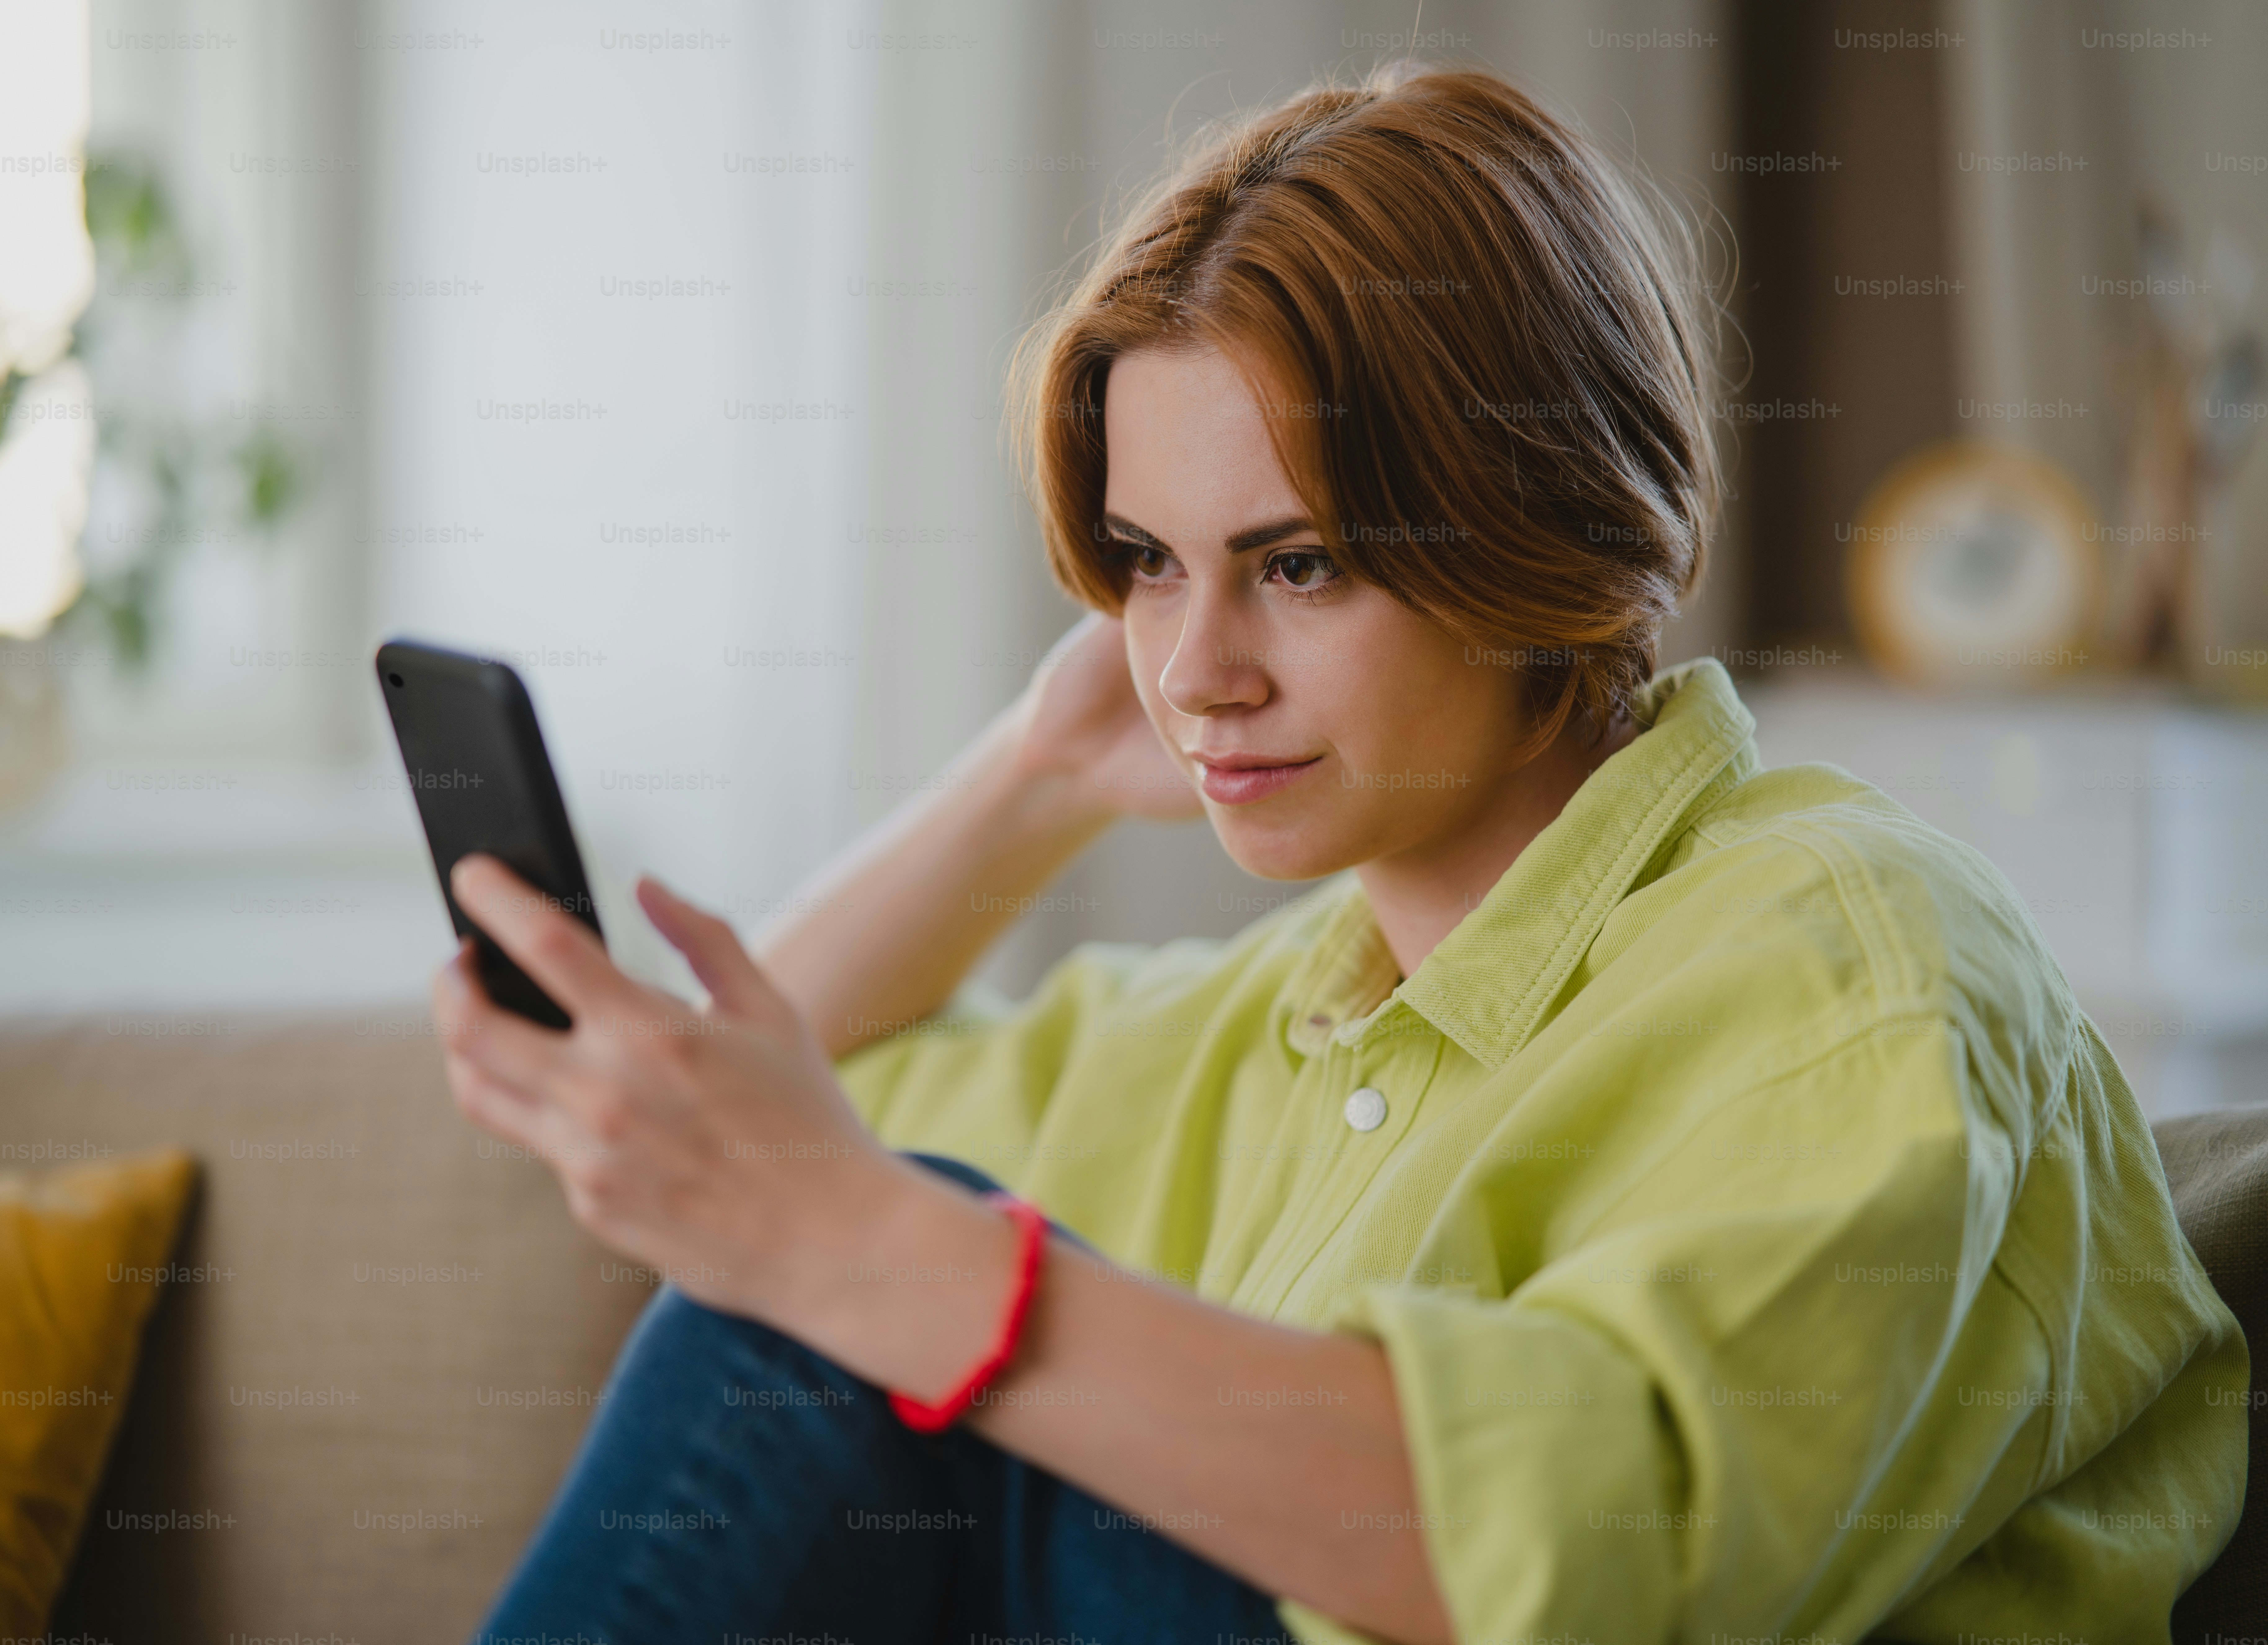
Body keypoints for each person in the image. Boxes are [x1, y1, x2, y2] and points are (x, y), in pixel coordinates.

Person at [434, 63, 2247, 1645]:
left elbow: (1600, 1561)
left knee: (828, 1323)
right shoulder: (1286, 1022)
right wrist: (1035, 775)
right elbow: (770, 1121)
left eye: (1299, 562)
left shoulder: (1845, 947)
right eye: (1150, 560)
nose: (1196, 670)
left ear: (1553, 530)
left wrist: (879, 1249)